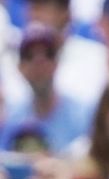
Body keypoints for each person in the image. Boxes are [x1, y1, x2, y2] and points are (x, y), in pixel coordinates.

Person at [0, 23, 91, 153]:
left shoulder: (84, 114)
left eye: (47, 54)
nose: (39, 62)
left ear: (57, 63)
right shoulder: (9, 117)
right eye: (29, 56)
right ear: (20, 67)